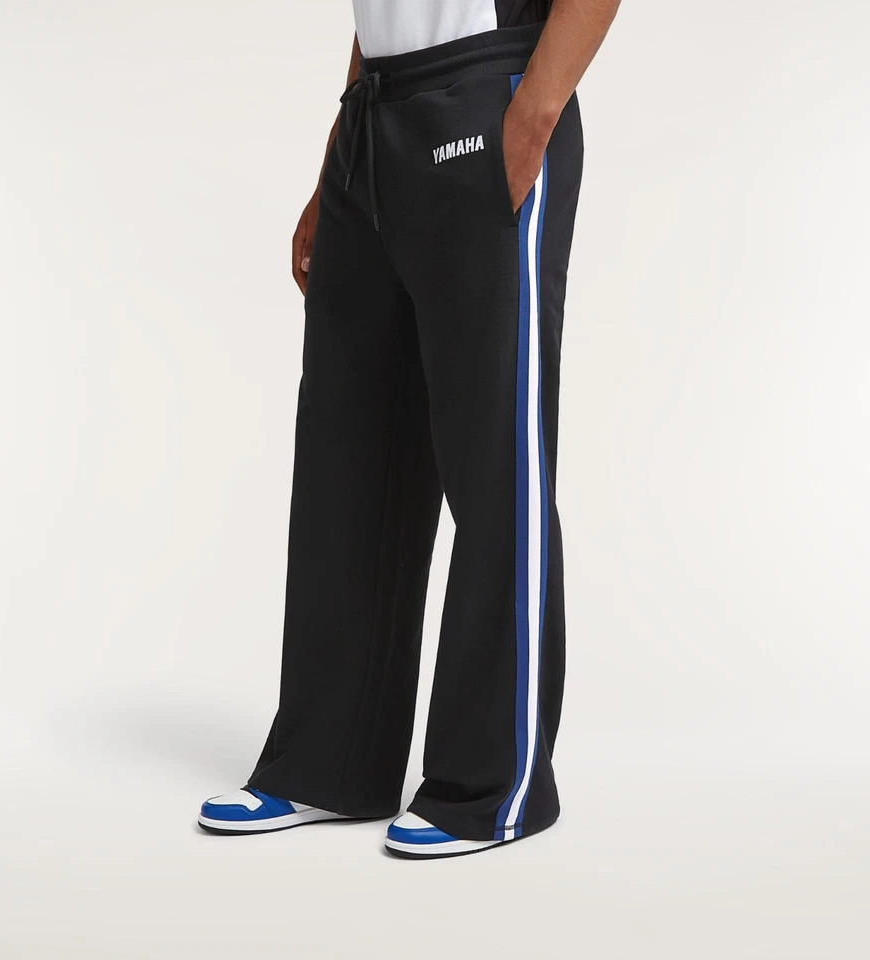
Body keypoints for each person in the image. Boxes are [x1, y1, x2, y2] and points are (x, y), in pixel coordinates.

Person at [198, 0, 621, 859]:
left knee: (494, 465)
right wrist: (339, 158)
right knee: (347, 458)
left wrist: (533, 113)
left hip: (487, 95)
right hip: (374, 116)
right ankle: (328, 765)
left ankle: (491, 788)